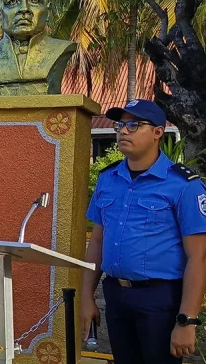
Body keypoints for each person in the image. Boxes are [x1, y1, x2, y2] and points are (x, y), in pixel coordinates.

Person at [80, 99, 206, 363]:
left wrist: (186, 320)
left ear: (158, 132)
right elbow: (97, 243)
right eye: (120, 125)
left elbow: (199, 257)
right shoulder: (108, 179)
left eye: (134, 125)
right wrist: (87, 296)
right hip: (116, 295)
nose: (123, 131)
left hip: (160, 299)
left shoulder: (184, 185)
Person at [0, 0, 76, 96]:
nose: (24, 9)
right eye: (12, 1)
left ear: (47, 12)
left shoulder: (61, 49)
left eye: (34, 0)